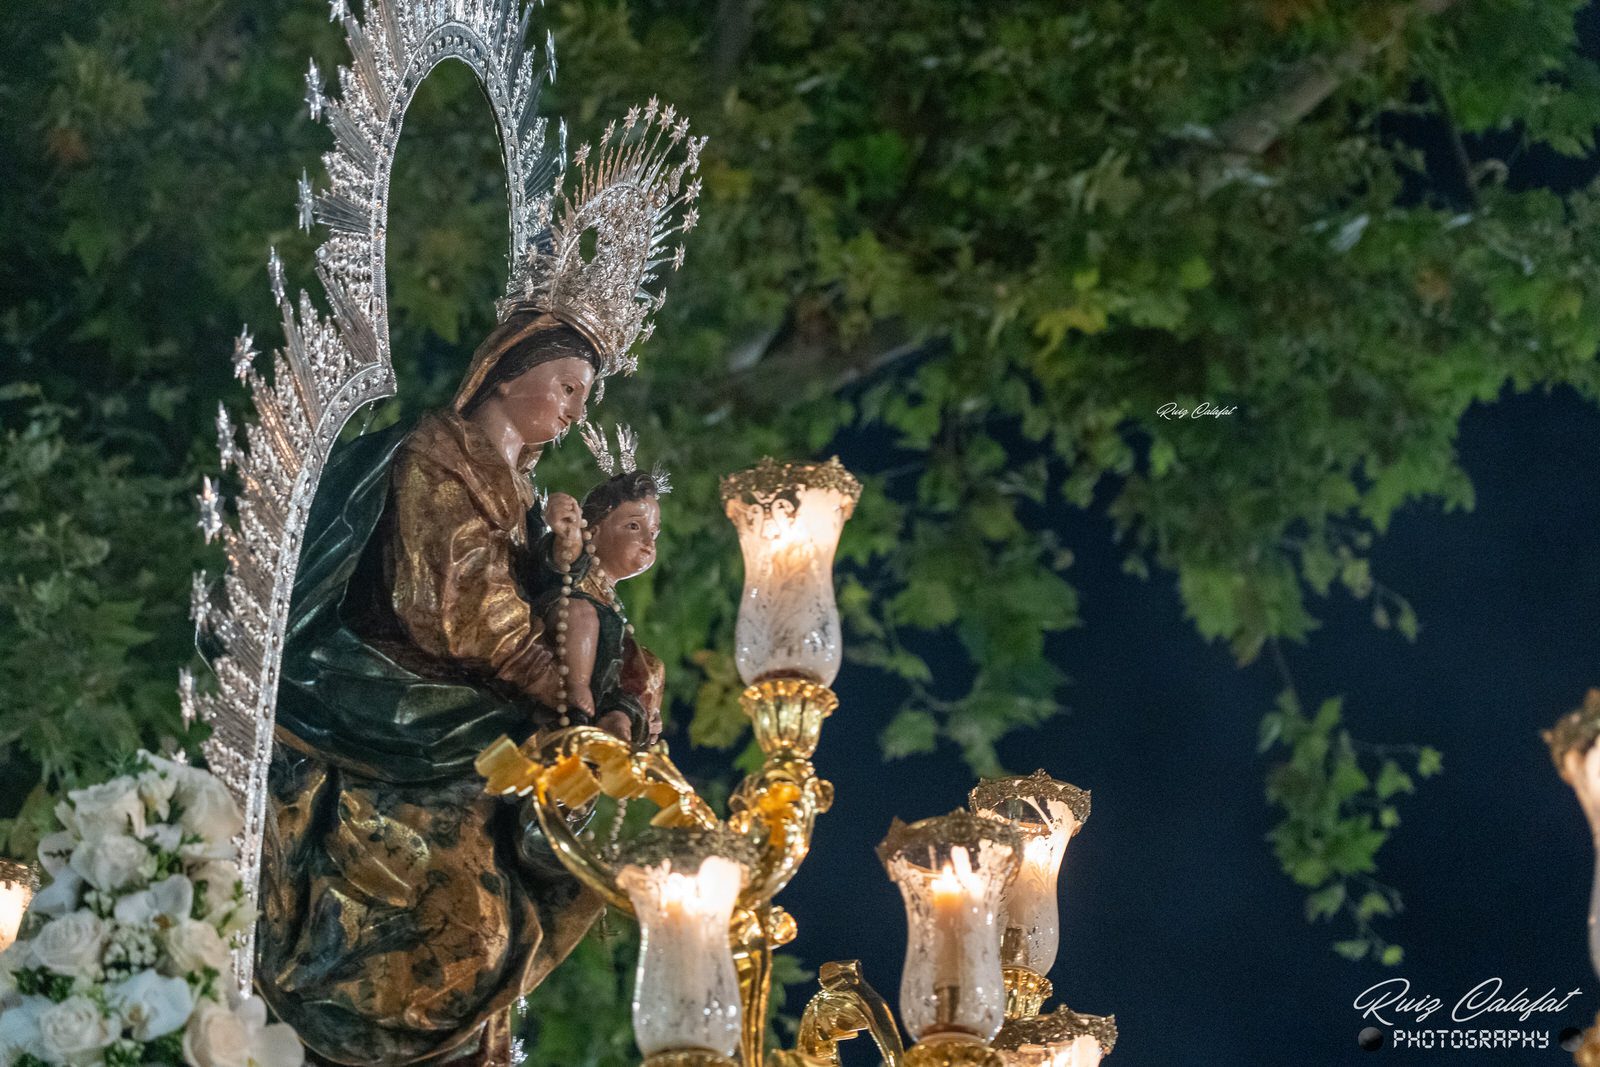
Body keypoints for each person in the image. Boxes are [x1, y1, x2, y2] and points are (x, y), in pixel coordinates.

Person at [258, 310, 620, 1067]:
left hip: (468, 725)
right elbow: (454, 609)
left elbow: (559, 608)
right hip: (388, 712)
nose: (575, 410)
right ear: (507, 376)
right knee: (469, 923)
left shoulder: (525, 494)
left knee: (538, 865)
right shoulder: (439, 455)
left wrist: (570, 567)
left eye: (584, 395)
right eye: (566, 386)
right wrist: (552, 686)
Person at [519, 427, 669, 748]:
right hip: (562, 619)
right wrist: (568, 533)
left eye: (653, 533)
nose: (647, 542)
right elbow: (565, 556)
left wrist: (643, 710)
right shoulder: (581, 563)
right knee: (582, 612)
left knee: (648, 666)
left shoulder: (612, 605)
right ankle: (576, 691)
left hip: (602, 677)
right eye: (633, 526)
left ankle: (621, 722)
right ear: (595, 530)